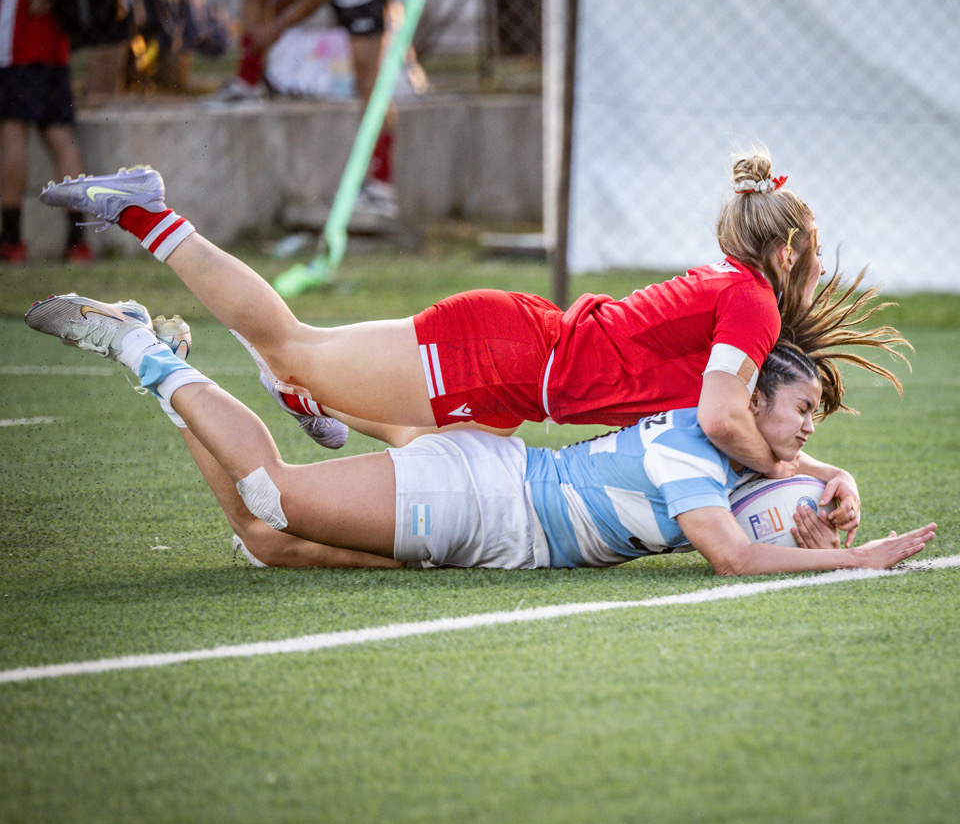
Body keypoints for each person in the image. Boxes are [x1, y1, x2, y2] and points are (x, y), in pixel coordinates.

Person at [38, 154, 908, 519]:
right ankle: (148, 211)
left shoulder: (737, 286)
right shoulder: (754, 301)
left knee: (420, 450)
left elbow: (725, 417)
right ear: (787, 249)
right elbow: (721, 420)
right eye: (814, 250)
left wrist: (820, 470)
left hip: (517, 362)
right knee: (292, 343)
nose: (816, 268)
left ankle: (308, 393)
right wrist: (798, 473)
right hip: (507, 358)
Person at [23, 295, 936, 574]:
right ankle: (141, 347)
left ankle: (173, 373)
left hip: (501, 513)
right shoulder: (692, 447)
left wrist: (824, 494)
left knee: (267, 544)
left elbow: (769, 492)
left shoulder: (724, 437)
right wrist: (851, 561)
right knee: (272, 498)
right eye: (802, 411)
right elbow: (730, 556)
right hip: (485, 500)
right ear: (752, 401)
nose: (806, 431)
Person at [202, 0, 404, 224]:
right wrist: (272, 25)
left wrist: (277, 27)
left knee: (369, 83)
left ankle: (381, 189)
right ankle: (248, 82)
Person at [0, 0, 92, 264]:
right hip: (50, 44)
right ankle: (78, 243)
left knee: (12, 132)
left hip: (19, 41)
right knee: (59, 135)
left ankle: (11, 242)